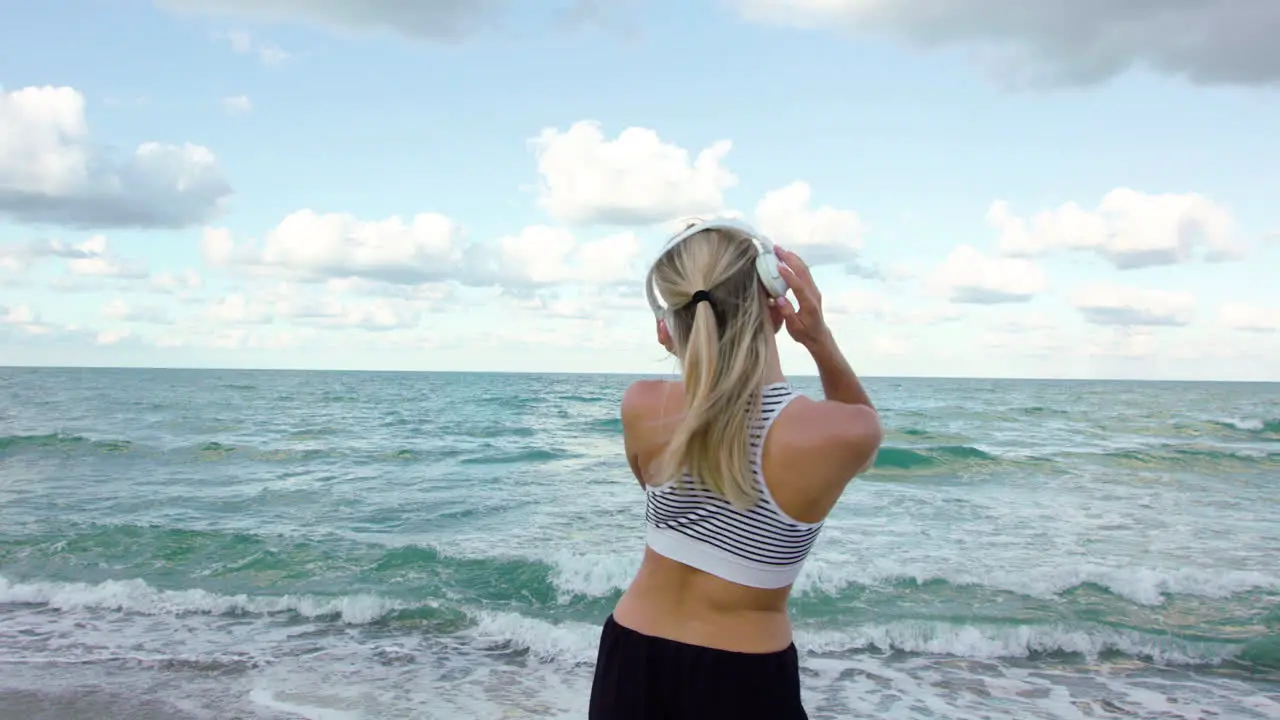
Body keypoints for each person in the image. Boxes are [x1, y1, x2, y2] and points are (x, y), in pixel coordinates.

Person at [588, 219, 884, 719]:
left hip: (631, 659)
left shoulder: (643, 406)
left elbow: (673, 490)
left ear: (669, 323)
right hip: (743, 675)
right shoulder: (840, 433)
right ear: (775, 299)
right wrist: (819, 339)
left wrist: (688, 348)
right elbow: (866, 432)